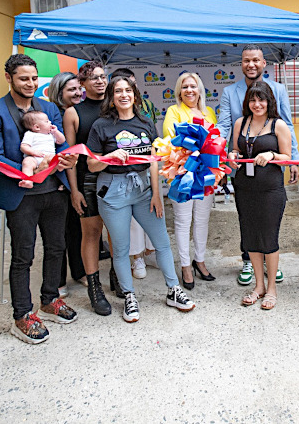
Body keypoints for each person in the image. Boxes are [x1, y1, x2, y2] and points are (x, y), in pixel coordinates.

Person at [0, 54, 79, 344]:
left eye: (34, 78)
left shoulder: (49, 107)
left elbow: (61, 145)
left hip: (54, 192)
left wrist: (64, 160)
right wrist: (31, 170)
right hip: (20, 193)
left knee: (56, 246)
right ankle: (22, 313)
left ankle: (50, 299)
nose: (30, 83)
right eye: (24, 78)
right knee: (23, 255)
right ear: (8, 77)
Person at [87, 75, 195, 323]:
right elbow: (91, 165)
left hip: (144, 189)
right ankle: (129, 296)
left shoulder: (146, 122)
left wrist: (156, 194)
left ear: (135, 95)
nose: (124, 95)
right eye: (118, 91)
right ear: (111, 98)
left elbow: (154, 160)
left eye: (128, 90)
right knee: (122, 248)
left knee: (162, 242)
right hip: (113, 191)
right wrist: (110, 156)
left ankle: (173, 290)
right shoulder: (100, 126)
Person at [218, 44, 298, 286]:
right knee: (247, 217)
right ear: (241, 64)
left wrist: (291, 158)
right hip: (242, 172)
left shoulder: (279, 90)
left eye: (255, 60)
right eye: (246, 61)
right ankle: (247, 260)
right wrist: (219, 154)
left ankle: (269, 263)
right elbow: (224, 126)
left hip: (271, 172)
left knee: (269, 218)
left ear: (264, 63)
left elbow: (288, 125)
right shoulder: (230, 92)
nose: (250, 64)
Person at [229, 82, 292, 310]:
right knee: (251, 238)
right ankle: (259, 286)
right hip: (245, 188)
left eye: (261, 100)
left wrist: (272, 154)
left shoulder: (279, 125)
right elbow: (236, 149)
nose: (257, 104)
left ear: (269, 101)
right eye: (253, 100)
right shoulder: (240, 123)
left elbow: (288, 156)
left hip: (270, 190)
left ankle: (272, 288)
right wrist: (233, 154)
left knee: (269, 239)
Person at [63, 61, 118, 315]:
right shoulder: (73, 113)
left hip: (117, 178)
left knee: (116, 232)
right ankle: (94, 287)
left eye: (103, 76)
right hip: (88, 180)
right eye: (93, 77)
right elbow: (71, 157)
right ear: (82, 83)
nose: (99, 81)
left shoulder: (116, 106)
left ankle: (117, 276)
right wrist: (74, 190)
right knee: (92, 233)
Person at [162, 72, 218, 290]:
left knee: (202, 220)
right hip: (182, 175)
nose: (189, 90)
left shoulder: (209, 112)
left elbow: (215, 142)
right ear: (179, 91)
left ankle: (200, 260)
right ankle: (185, 265)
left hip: (205, 175)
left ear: (200, 89)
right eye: (184, 87)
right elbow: (171, 139)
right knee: (183, 222)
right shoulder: (173, 111)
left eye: (193, 86)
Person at [111, 67, 157, 278]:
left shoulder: (147, 108)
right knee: (131, 221)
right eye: (120, 89)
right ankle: (136, 258)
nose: (126, 93)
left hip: (147, 171)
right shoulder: (110, 117)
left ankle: (150, 251)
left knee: (151, 212)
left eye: (130, 86)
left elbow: (155, 142)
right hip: (123, 176)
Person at [47, 72, 86, 295]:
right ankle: (58, 280)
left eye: (79, 88)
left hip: (77, 177)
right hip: (57, 180)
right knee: (57, 235)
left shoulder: (80, 112)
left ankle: (79, 271)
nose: (78, 93)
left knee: (76, 229)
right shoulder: (51, 115)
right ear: (59, 92)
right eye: (72, 89)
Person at [19, 111, 66, 188]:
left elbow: (61, 141)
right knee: (27, 162)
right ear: (37, 127)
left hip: (48, 157)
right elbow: (24, 146)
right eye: (47, 121)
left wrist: (56, 132)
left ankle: (59, 166)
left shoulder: (50, 134)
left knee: (57, 158)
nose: (50, 122)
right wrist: (33, 152)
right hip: (34, 158)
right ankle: (28, 180)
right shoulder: (30, 134)